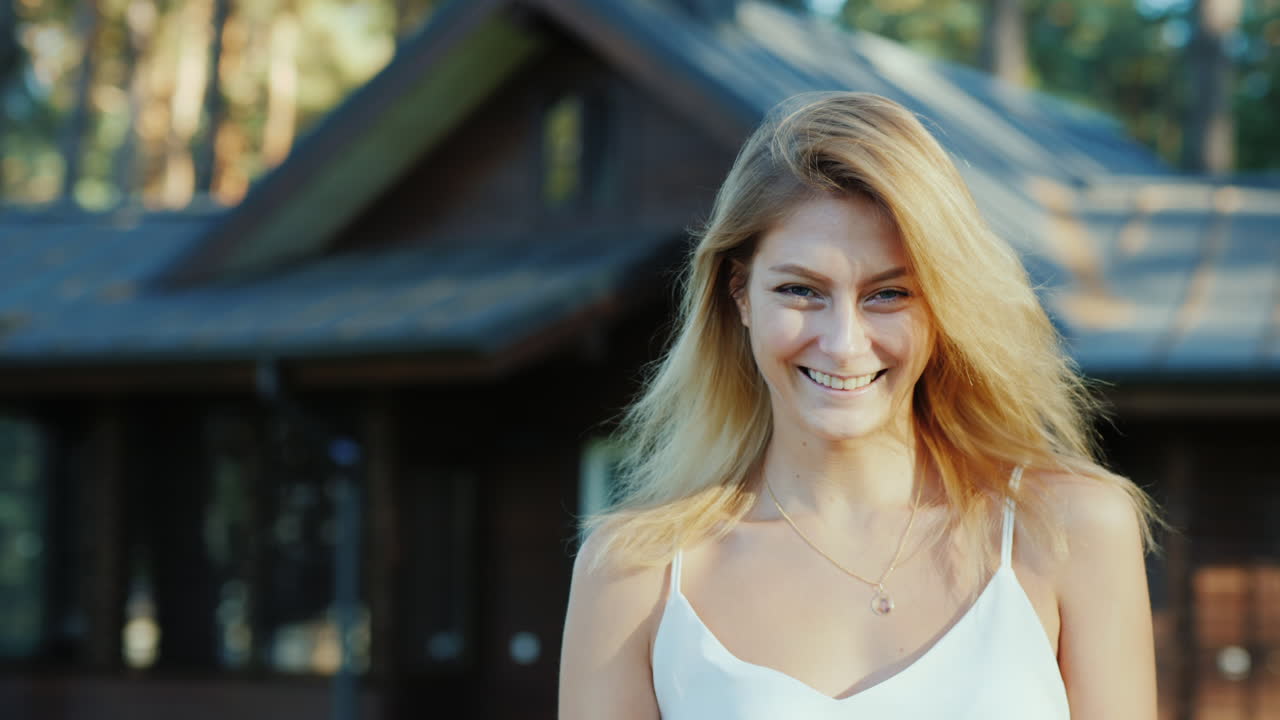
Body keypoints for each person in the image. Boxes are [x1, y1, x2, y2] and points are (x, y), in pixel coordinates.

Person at [558, 92, 1158, 719]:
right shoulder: (635, 572)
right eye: (800, 290)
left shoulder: (1068, 529)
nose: (844, 344)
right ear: (739, 294)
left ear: (943, 304)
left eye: (889, 294)